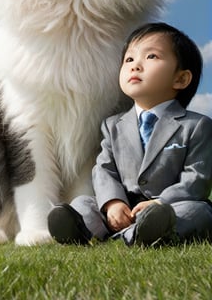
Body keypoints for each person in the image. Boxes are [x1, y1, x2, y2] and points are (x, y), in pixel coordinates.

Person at [48, 22, 212, 246]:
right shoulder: (112, 125)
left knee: (198, 210)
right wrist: (113, 202)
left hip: (170, 205)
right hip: (123, 207)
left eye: (151, 56)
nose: (135, 66)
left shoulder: (196, 125)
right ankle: (79, 226)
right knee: (83, 203)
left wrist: (160, 202)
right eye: (129, 59)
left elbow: (197, 178)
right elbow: (104, 169)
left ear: (181, 79)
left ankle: (148, 231)